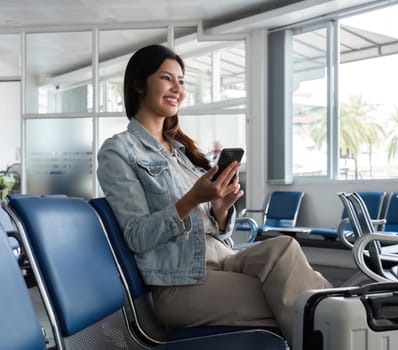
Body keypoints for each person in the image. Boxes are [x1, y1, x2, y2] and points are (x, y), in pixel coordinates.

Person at [96, 44, 331, 346]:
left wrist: (220, 209)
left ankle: (341, 313)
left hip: (221, 258)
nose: (177, 88)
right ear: (139, 84)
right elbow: (137, 236)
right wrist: (193, 198)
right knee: (301, 302)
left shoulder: (181, 153)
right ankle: (344, 320)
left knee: (283, 249)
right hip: (180, 283)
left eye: (180, 81)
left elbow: (210, 225)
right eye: (167, 78)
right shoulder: (119, 151)